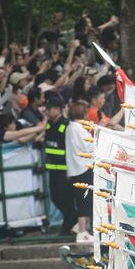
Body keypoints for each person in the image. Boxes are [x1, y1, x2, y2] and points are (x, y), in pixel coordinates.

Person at [43, 93, 75, 236]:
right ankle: (70, 221)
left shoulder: (65, 125)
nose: (47, 112)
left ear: (57, 109)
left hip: (63, 170)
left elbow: (70, 148)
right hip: (53, 170)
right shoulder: (50, 124)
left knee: (65, 198)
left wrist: (69, 169)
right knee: (55, 198)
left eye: (49, 109)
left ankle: (69, 224)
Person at [65, 99, 94, 243]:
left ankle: (80, 228)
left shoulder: (70, 127)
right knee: (85, 201)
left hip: (75, 168)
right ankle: (82, 232)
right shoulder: (78, 128)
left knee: (82, 200)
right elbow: (88, 147)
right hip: (84, 168)